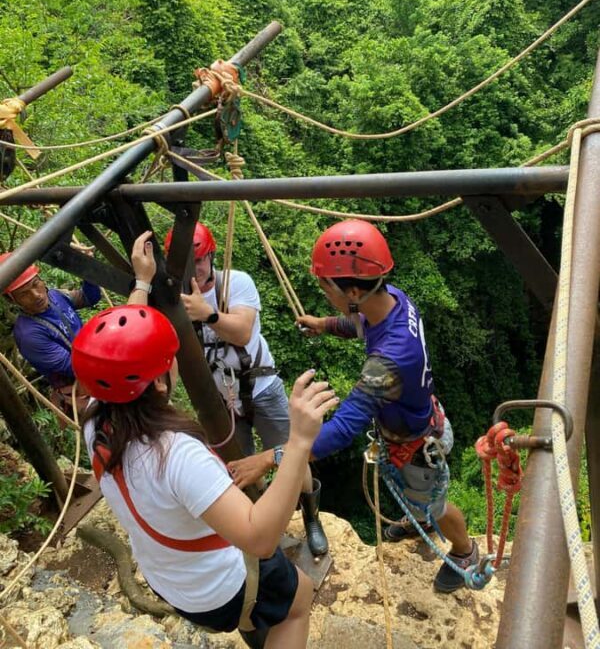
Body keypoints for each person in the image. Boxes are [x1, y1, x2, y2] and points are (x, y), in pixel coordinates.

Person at [74, 231, 338, 647]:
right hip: (216, 589)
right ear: (161, 382)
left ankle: (258, 619)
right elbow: (260, 539)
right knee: (299, 599)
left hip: (170, 579)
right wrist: (301, 439)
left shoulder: (94, 421)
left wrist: (142, 285)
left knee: (260, 605)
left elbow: (119, 350)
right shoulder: (176, 454)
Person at [227, 220, 479, 594]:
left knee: (436, 507)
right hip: (414, 423)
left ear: (355, 290)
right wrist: (323, 324)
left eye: (327, 287)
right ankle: (418, 518)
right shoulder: (394, 300)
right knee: (419, 500)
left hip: (417, 445)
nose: (324, 293)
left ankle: (464, 552)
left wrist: (267, 458)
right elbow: (360, 323)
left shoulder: (389, 362)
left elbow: (339, 432)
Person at [164, 222, 328, 557]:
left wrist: (207, 314)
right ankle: (263, 522)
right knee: (239, 468)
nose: (193, 269)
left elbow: (241, 332)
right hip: (221, 399)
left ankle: (311, 517)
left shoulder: (236, 282)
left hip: (261, 386)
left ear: (210, 256)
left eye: (199, 260)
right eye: (185, 263)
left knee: (292, 455)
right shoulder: (172, 301)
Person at [0, 252, 101, 415]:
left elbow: (90, 297)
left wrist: (85, 267)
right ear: (13, 300)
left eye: (35, 284)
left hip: (96, 368)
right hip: (82, 391)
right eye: (24, 294)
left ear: (41, 280)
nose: (36, 295)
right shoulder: (29, 335)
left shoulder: (55, 297)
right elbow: (74, 366)